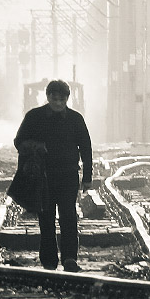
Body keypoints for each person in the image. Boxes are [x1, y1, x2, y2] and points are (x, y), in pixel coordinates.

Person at [13, 79, 93, 271]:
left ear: (67, 98)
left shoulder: (76, 119)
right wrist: (37, 147)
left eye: (62, 99)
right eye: (54, 98)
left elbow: (86, 148)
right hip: (43, 177)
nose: (58, 103)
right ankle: (49, 261)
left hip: (68, 176)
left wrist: (87, 177)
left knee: (69, 217)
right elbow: (19, 141)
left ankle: (69, 259)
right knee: (46, 219)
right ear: (47, 97)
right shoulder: (34, 117)